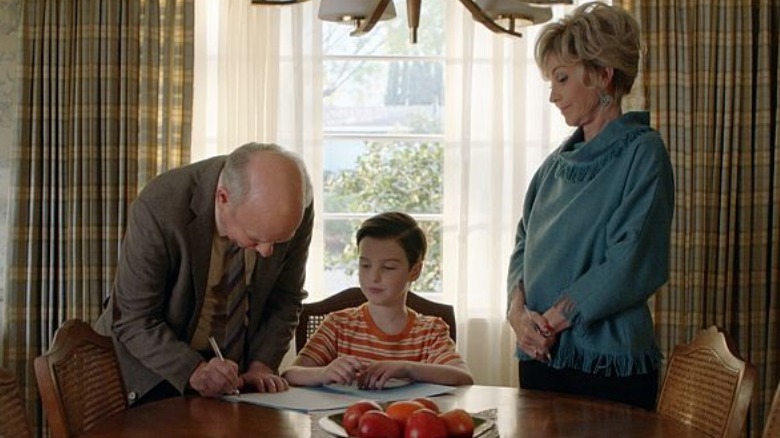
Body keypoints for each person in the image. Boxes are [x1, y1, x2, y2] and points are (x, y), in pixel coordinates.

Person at [506, 2, 674, 411]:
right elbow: (523, 244)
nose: (553, 96)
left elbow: (630, 260)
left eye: (561, 78)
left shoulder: (643, 153)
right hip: (540, 357)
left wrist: (550, 322)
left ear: (603, 74)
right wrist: (516, 316)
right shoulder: (553, 167)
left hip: (608, 369)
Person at [95, 142, 314, 405]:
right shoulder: (161, 206)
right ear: (223, 198)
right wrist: (193, 370)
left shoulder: (294, 207)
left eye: (279, 241)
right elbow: (133, 319)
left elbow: (286, 298)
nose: (267, 251)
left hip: (237, 377)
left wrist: (262, 365)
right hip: (153, 370)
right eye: (255, 239)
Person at [282, 212, 473, 388]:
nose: (373, 276)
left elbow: (464, 378)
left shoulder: (430, 332)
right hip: (344, 421)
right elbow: (290, 374)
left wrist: (408, 368)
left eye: (388, 267)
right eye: (365, 265)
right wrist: (324, 373)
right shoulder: (338, 325)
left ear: (415, 271)